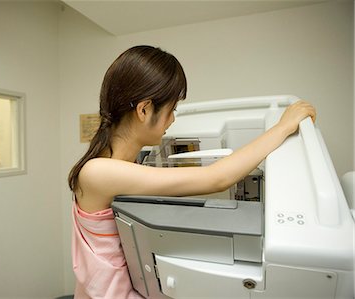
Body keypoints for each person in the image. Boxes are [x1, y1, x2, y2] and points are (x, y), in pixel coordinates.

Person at [68, 45, 316, 299]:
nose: (173, 119)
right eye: (171, 109)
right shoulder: (97, 172)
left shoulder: (123, 164)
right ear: (144, 110)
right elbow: (217, 178)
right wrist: (283, 127)